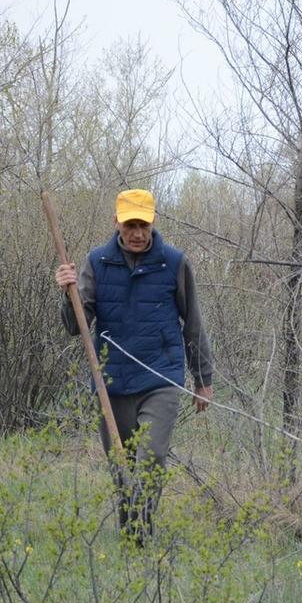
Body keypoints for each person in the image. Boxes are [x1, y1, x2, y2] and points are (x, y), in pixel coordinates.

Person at [55, 188, 213, 543]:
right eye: (130, 224)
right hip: (111, 382)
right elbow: (74, 326)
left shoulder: (173, 262)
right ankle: (132, 540)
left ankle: (141, 533)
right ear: (116, 222)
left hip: (161, 378)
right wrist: (69, 295)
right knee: (122, 467)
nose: (138, 232)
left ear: (153, 221)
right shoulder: (97, 262)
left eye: (144, 223)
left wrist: (203, 380)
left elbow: (194, 324)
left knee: (151, 456)